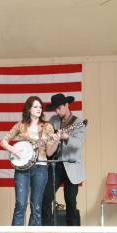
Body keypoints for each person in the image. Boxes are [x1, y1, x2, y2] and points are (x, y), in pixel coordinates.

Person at [0, 96, 59, 226]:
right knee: (20, 204)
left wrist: (55, 141)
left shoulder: (47, 127)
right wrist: (13, 150)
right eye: (36, 106)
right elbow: (3, 141)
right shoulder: (20, 126)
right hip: (22, 169)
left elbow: (49, 152)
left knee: (36, 206)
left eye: (40, 107)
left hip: (41, 168)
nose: (39, 109)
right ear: (29, 109)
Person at [42, 93, 86, 226]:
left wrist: (66, 137)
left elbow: (78, 144)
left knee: (71, 202)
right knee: (45, 198)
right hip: (55, 165)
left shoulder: (78, 122)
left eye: (58, 108)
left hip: (71, 165)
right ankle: (47, 228)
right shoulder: (53, 120)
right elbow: (46, 140)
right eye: (54, 109)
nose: (56, 111)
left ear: (67, 105)